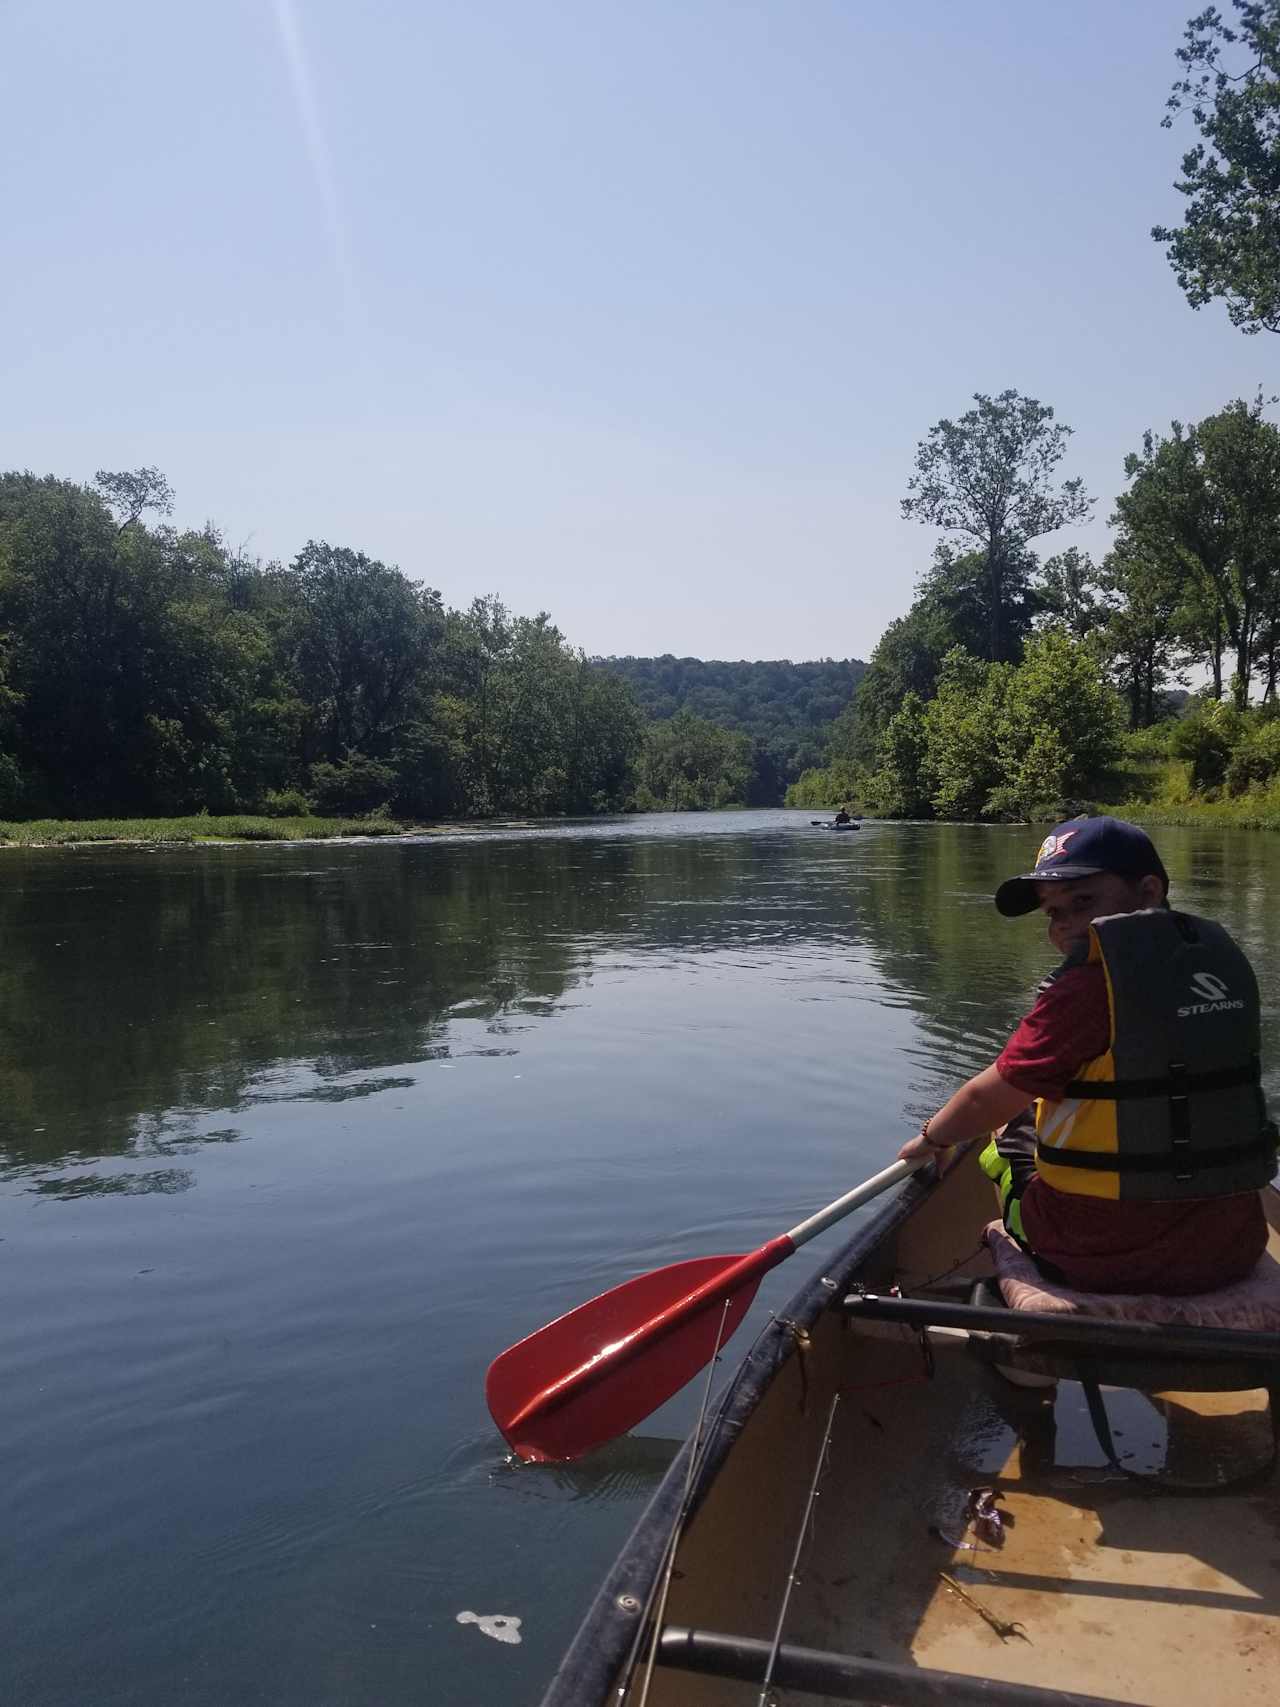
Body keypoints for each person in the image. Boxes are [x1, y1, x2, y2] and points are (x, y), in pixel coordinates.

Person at [897, 815, 1277, 1294]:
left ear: (1148, 890)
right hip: (1230, 1247)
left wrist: (932, 1138)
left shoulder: (1083, 989)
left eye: (1083, 901)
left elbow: (984, 1098)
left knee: (1009, 1131)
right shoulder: (1224, 963)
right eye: (1053, 912)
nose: (1067, 924)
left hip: (1094, 1255)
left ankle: (1018, 1316)